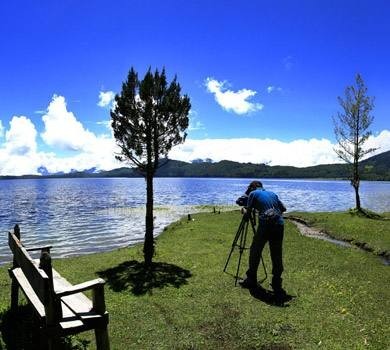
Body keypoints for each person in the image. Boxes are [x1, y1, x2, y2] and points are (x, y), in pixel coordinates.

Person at [239, 180, 287, 298]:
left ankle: (251, 279)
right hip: (279, 224)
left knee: (255, 251)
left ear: (251, 188)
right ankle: (277, 283)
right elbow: (283, 208)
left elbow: (247, 214)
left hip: (266, 223)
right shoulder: (272, 194)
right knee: (276, 254)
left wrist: (244, 210)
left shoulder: (252, 194)